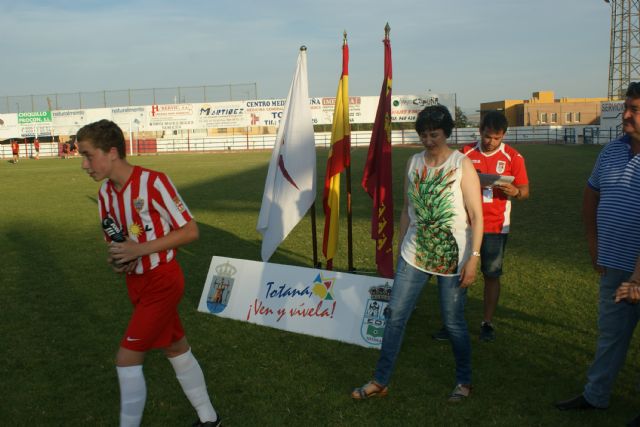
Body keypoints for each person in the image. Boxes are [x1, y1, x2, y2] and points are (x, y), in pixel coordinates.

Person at [76, 120, 220, 427]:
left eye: (88, 156)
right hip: (136, 283)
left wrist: (139, 250)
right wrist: (119, 261)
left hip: (163, 279)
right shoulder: (105, 195)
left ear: (112, 152)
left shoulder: (153, 183)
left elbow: (191, 231)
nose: (84, 165)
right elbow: (118, 246)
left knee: (126, 359)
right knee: (175, 346)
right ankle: (210, 419)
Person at [351, 105, 483, 402]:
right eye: (423, 134)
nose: (428, 140)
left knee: (453, 322)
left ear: (446, 133)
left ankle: (464, 381)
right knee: (395, 314)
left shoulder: (462, 165)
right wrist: (401, 243)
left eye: (433, 134)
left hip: (453, 256)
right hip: (414, 253)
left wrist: (473, 258)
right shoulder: (413, 163)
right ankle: (380, 380)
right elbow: (407, 210)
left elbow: (477, 214)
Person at [555, 83, 640, 427]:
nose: (627, 115)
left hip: (637, 272)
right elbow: (591, 196)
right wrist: (594, 244)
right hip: (615, 265)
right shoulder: (611, 151)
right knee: (610, 335)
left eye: (635, 108)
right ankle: (596, 395)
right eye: (626, 107)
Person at [432, 110, 529, 342]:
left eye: (497, 138)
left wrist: (515, 191)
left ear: (504, 135)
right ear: (480, 131)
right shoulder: (464, 153)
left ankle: (487, 322)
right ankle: (451, 323)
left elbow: (525, 192)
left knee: (491, 274)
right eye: (487, 136)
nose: (491, 142)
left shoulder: (513, 157)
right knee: (457, 273)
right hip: (464, 225)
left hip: (496, 227)